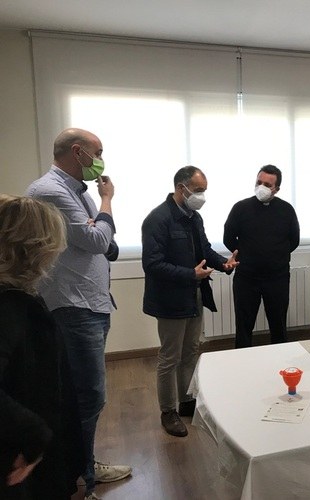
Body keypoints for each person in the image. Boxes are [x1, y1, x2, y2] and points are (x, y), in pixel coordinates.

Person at [25, 128, 131, 500]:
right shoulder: (49, 191)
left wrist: (98, 227)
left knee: (85, 396)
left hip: (91, 301)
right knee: (86, 396)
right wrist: (107, 201)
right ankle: (82, 476)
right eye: (97, 152)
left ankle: (83, 464)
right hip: (73, 305)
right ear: (77, 151)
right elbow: (99, 239)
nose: (100, 160)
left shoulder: (76, 191)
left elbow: (107, 243)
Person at [142, 166, 238, 437]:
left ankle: (186, 401)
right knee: (169, 357)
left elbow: (204, 250)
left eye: (204, 190)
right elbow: (152, 264)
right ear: (180, 188)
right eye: (198, 190)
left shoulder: (194, 217)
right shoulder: (158, 219)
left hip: (194, 294)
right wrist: (189, 274)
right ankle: (168, 411)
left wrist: (224, 264)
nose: (201, 196)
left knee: (191, 351)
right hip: (170, 299)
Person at [0, 195, 85, 500]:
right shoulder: (10, 308)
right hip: (21, 463)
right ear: (35, 249)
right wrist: (35, 435)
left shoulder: (20, 298)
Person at [223, 164, 300, 348]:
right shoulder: (240, 208)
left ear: (277, 189)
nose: (261, 187)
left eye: (267, 184)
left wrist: (274, 255)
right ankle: (243, 361)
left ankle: (279, 361)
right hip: (246, 278)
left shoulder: (286, 210)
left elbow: (294, 240)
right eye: (259, 182)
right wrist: (247, 254)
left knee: (278, 326)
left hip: (277, 278)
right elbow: (228, 238)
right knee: (244, 326)